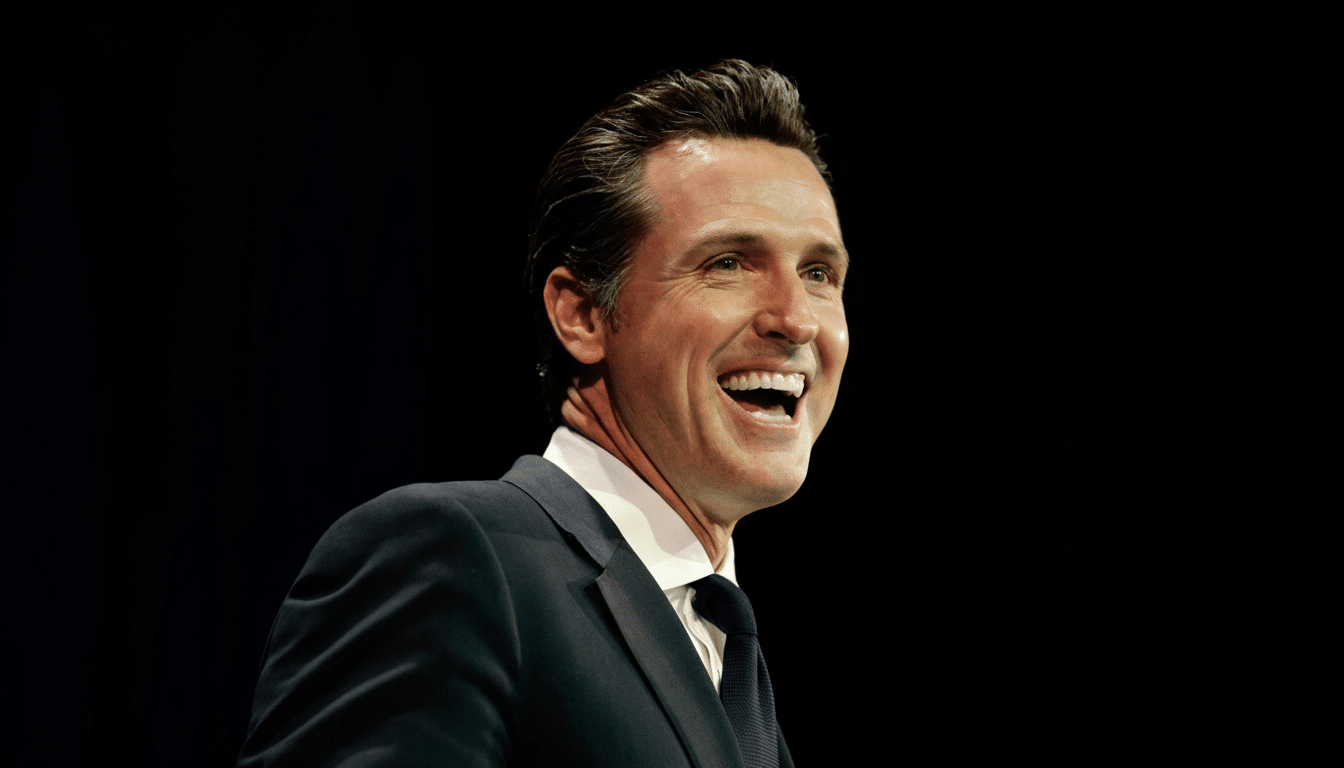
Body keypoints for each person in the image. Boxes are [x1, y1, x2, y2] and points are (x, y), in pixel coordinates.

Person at [237, 59, 849, 768]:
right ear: (583, 312)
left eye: (819, 273)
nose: (796, 320)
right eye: (727, 263)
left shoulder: (729, 663)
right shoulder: (453, 557)